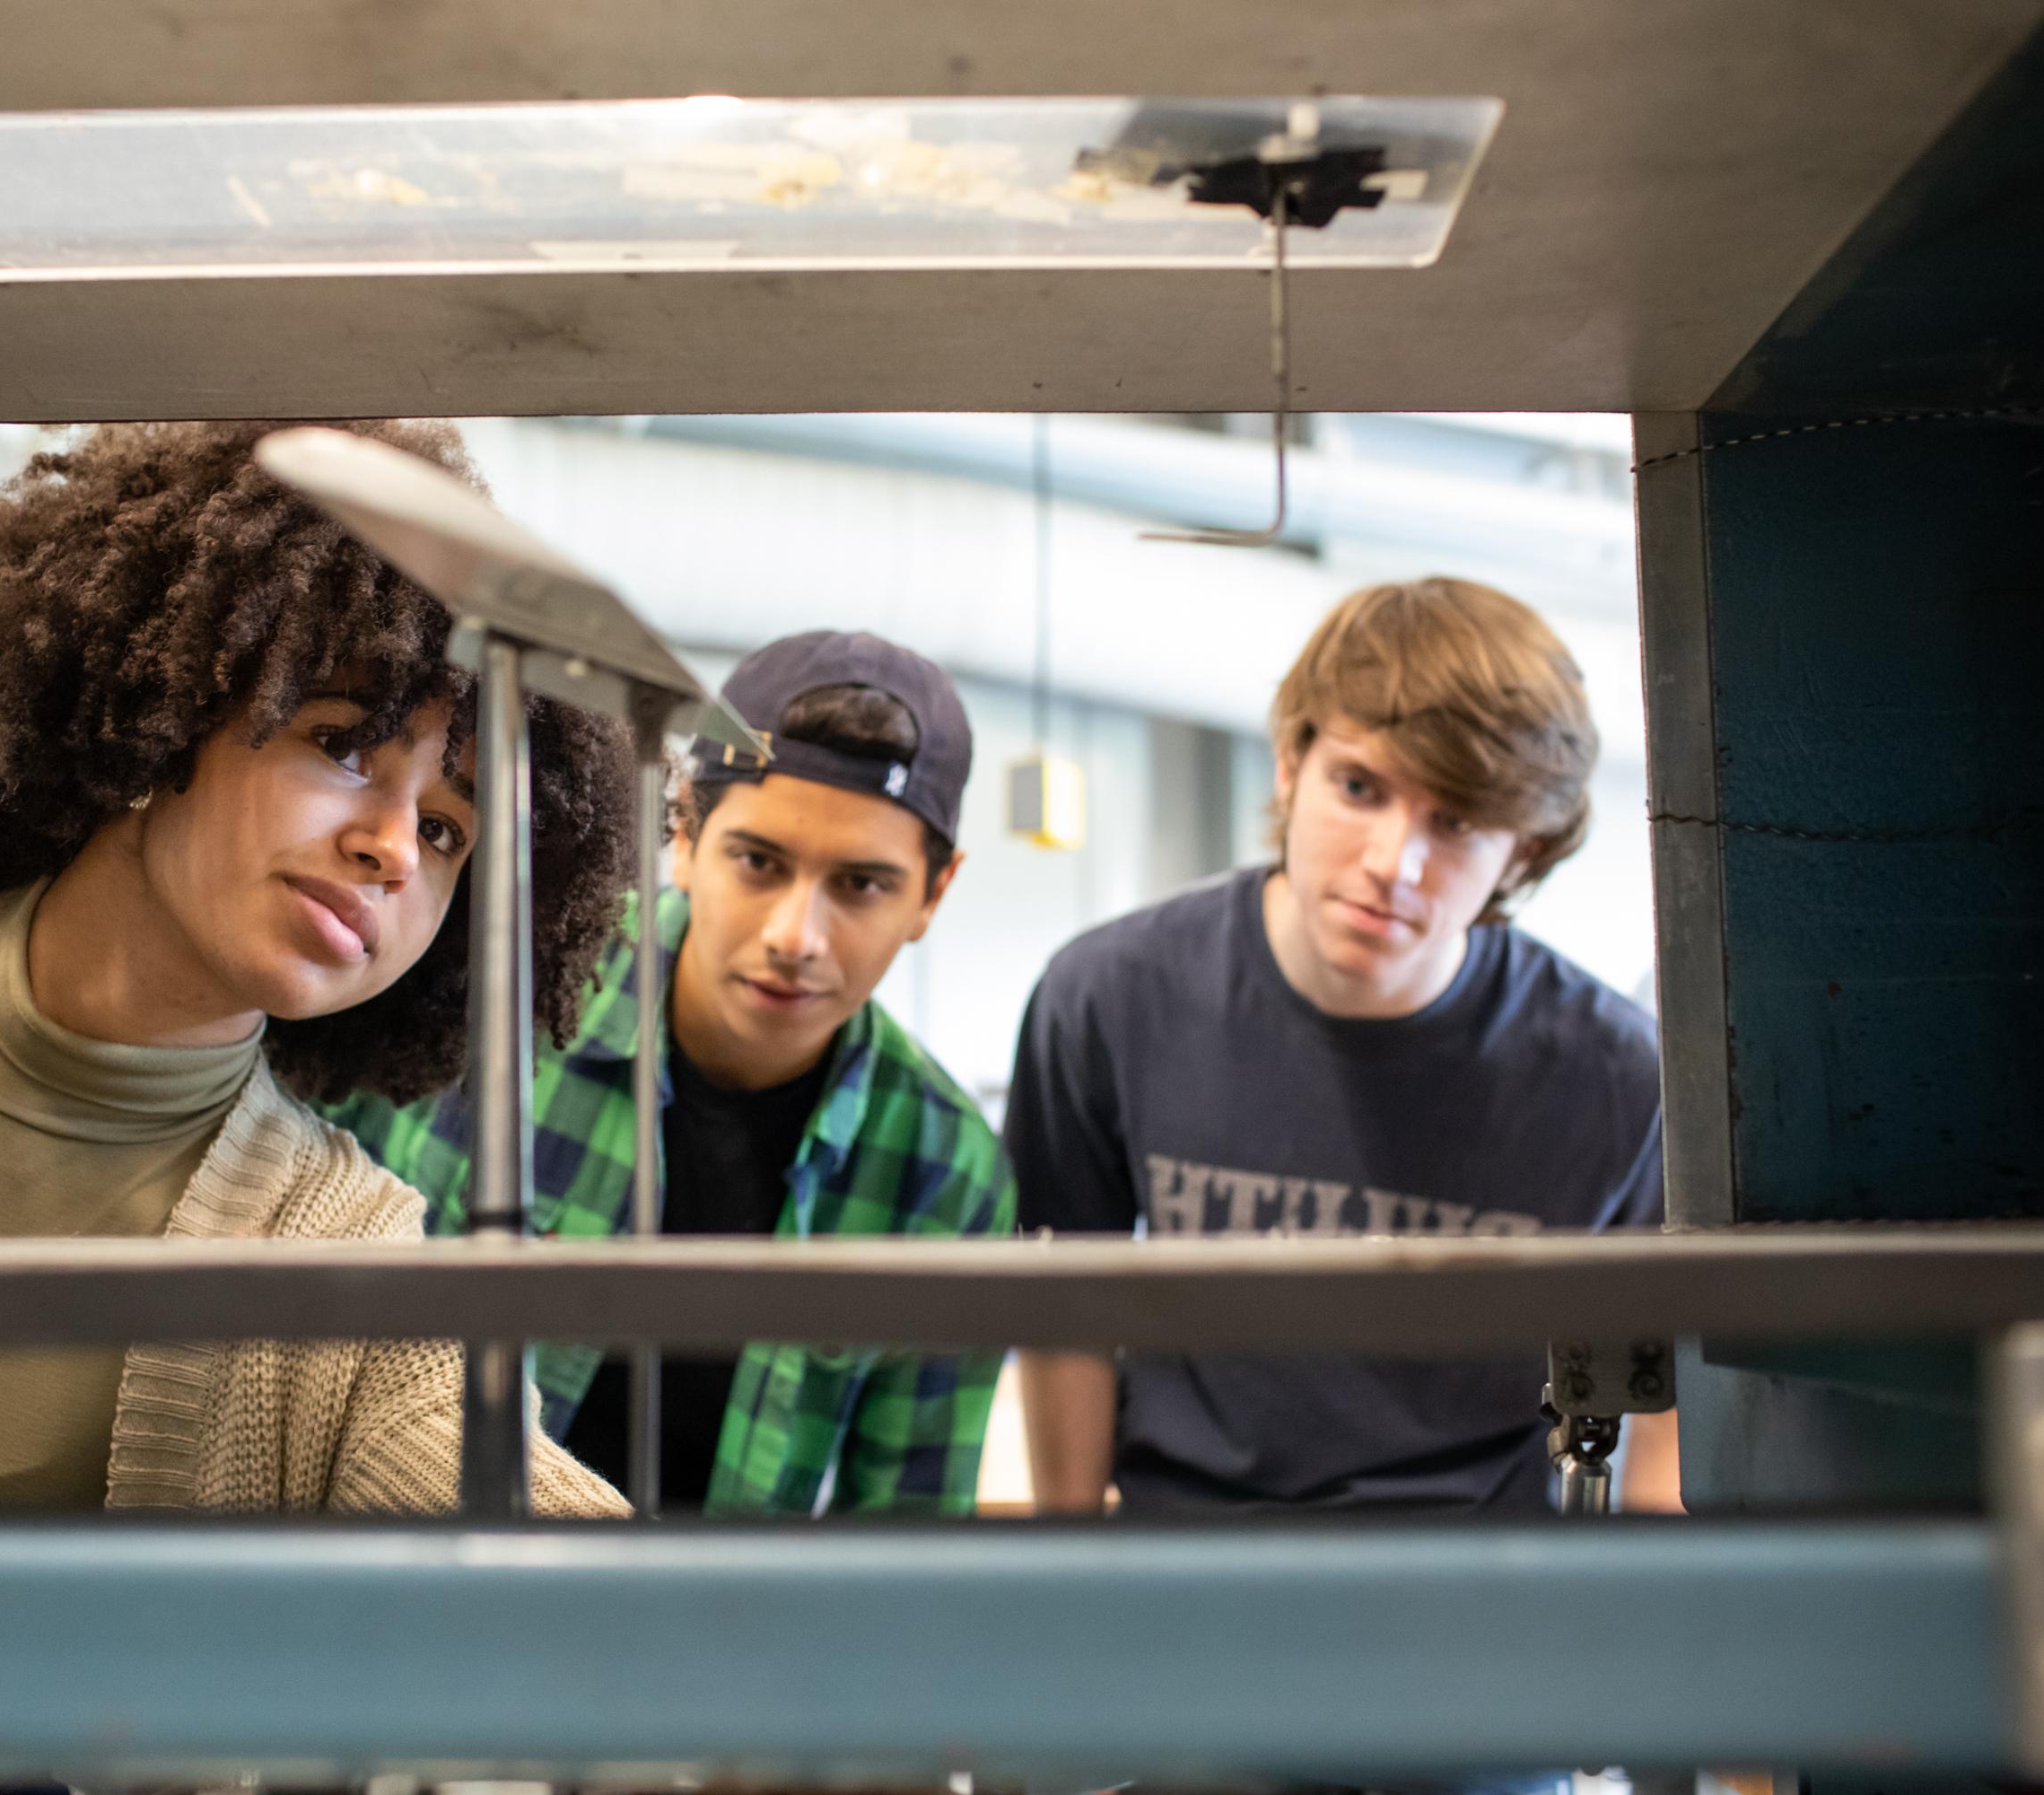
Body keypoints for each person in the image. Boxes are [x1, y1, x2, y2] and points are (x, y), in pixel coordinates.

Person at [0, 418, 633, 1519]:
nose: (395, 846)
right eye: (341, 744)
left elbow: (570, 1565)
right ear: (164, 712)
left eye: (450, 829)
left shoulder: (341, 1260)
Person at [1010, 576, 1670, 1519]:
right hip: (1185, 1568)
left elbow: (1664, 1381)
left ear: (1522, 852)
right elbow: (1060, 1313)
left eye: (1457, 822)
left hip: (1481, 1591)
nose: (1393, 863)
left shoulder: (1616, 1075)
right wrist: (1064, 1580)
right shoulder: (1106, 998)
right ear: (1290, 763)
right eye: (1359, 787)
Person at [330, 632, 1016, 1515]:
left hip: (723, 1640)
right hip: (416, 1594)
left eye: (862, 884)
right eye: (758, 862)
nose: (795, 935)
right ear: (685, 833)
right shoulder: (493, 986)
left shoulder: (946, 1173)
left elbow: (907, 1547)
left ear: (934, 893)